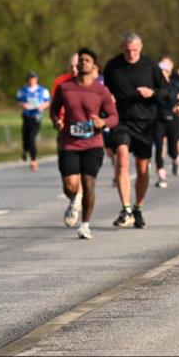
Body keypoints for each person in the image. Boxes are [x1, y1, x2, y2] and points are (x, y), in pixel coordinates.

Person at [49, 47, 118, 239]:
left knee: (89, 184)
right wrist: (57, 121)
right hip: (69, 143)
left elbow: (114, 117)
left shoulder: (100, 90)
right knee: (70, 185)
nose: (82, 63)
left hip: (93, 143)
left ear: (94, 65)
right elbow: (54, 110)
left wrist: (103, 122)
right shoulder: (65, 87)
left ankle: (85, 225)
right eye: (80, 60)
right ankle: (74, 199)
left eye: (87, 60)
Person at [103, 32, 168, 229]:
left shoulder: (150, 66)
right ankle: (126, 208)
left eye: (135, 50)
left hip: (145, 122)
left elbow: (166, 90)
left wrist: (152, 92)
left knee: (142, 168)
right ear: (122, 48)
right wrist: (109, 99)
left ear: (141, 48)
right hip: (121, 121)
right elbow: (105, 91)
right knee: (122, 159)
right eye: (127, 50)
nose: (131, 54)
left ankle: (138, 207)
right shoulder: (113, 66)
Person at [153, 56, 179, 188]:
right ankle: (161, 174)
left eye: (164, 71)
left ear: (168, 72)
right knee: (159, 147)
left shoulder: (176, 84)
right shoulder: (154, 86)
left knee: (173, 147)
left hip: (174, 119)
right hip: (159, 120)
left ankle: (176, 159)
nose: (162, 74)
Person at [15, 71, 51, 170]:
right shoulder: (23, 90)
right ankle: (25, 151)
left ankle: (33, 160)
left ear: (37, 79)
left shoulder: (42, 90)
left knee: (32, 138)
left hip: (36, 117)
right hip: (26, 116)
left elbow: (48, 101)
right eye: (30, 78)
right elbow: (18, 101)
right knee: (25, 138)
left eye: (33, 78)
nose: (32, 80)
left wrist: (42, 106)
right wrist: (23, 105)